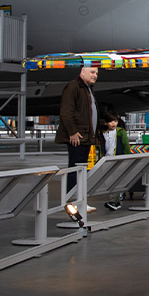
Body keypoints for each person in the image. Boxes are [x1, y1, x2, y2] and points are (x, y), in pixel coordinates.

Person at [55, 66, 100, 210]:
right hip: (78, 137)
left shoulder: (87, 88)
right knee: (75, 170)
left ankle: (80, 201)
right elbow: (66, 111)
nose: (95, 75)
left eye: (96, 73)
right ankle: (72, 201)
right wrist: (73, 132)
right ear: (82, 72)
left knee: (81, 170)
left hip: (85, 137)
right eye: (92, 72)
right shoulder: (74, 87)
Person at [97, 108, 131, 210]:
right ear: (106, 123)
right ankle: (117, 199)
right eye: (111, 121)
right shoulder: (103, 134)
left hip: (118, 159)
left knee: (114, 179)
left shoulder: (120, 132)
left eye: (115, 121)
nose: (113, 123)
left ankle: (114, 201)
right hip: (107, 159)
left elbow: (126, 145)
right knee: (109, 181)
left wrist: (128, 157)